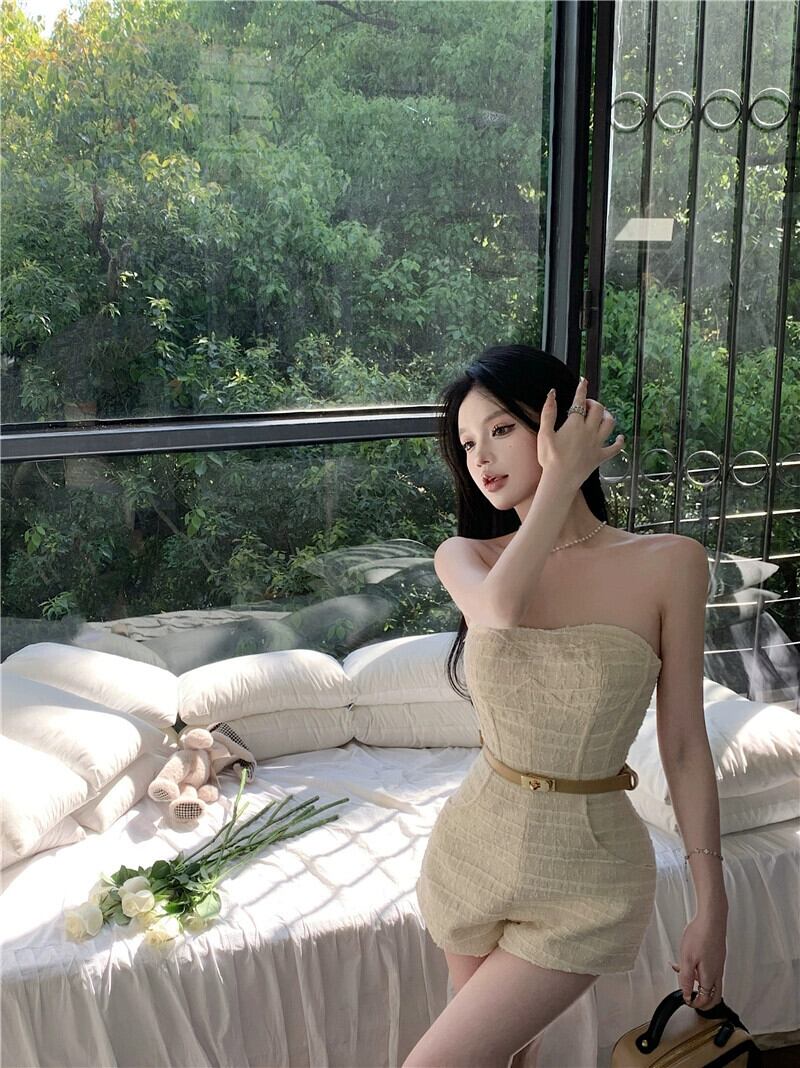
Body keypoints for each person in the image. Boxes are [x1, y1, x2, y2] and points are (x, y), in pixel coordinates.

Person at [403, 345, 728, 1068]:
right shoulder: (467, 556)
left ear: (562, 425)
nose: (481, 458)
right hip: (472, 852)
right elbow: (500, 611)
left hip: (589, 876)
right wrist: (559, 480)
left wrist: (713, 904)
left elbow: (682, 744)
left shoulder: (670, 563)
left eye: (500, 429)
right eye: (467, 443)